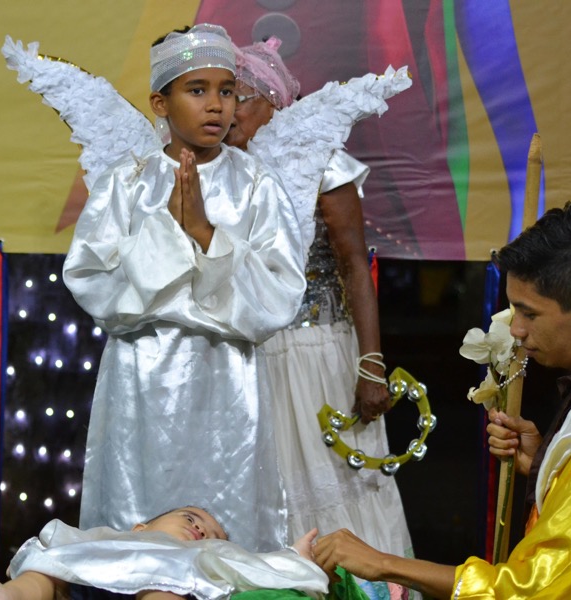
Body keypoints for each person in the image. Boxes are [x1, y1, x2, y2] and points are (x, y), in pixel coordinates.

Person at [314, 200, 571, 598]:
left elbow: (542, 589)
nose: (518, 331)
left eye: (530, 314)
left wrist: (385, 564)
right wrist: (548, 466)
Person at [60, 24, 306, 552]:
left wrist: (205, 234)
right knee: (140, 509)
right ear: (160, 102)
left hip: (226, 379)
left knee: (227, 513)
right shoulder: (125, 183)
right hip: (142, 377)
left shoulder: (258, 185)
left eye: (227, 90)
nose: (217, 106)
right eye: (197, 90)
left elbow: (281, 291)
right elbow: (90, 277)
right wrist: (173, 242)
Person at [225, 36, 415, 587]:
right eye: (222, 95)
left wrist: (371, 363)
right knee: (271, 495)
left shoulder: (323, 165)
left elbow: (357, 265)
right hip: (253, 360)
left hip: (318, 356)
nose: (227, 109)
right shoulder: (224, 172)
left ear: (275, 103)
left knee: (336, 492)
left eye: (240, 96)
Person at [0, 507, 327, 600]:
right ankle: (5, 595)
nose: (200, 530)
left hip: (162, 587)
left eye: (213, 536)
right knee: (48, 571)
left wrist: (293, 556)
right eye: (191, 518)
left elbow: (258, 567)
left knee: (164, 587)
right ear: (140, 528)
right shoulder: (108, 541)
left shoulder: (193, 557)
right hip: (89, 587)